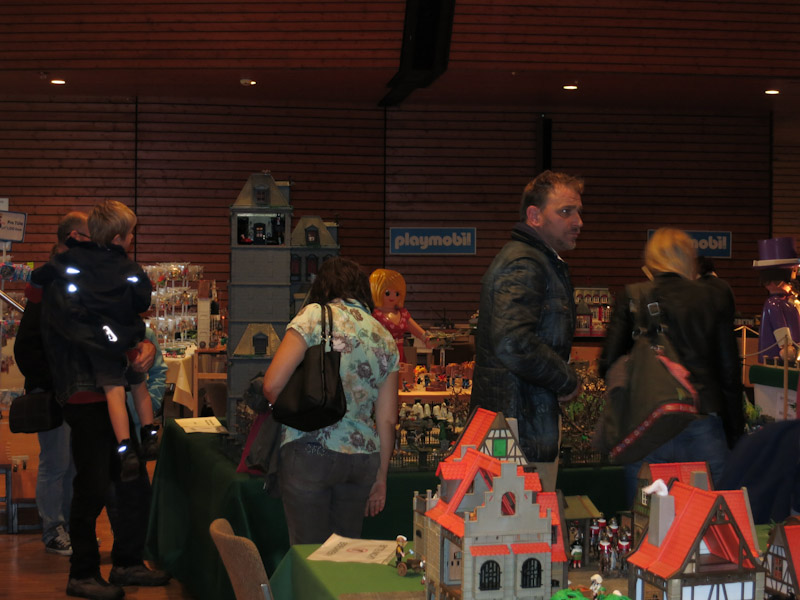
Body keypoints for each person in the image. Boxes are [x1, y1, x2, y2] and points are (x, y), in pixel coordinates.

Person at [31, 204, 168, 599]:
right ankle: (83, 572)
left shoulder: (94, 271)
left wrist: (142, 346)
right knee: (92, 484)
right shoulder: (64, 278)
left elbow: (123, 319)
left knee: (131, 481)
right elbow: (81, 331)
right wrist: (127, 350)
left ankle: (127, 562)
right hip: (83, 391)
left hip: (108, 384)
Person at [599, 228, 744, 503]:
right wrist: (734, 433)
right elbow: (729, 371)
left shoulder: (633, 296)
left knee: (647, 518)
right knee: (712, 517)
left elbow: (607, 362)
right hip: (703, 422)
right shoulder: (715, 296)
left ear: (652, 258)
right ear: (689, 258)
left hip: (649, 423)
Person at [262, 257, 399, 545]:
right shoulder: (384, 336)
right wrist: (381, 477)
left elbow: (272, 385)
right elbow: (387, 419)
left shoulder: (313, 316)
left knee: (308, 555)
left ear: (322, 286)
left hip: (310, 450)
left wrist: (294, 414)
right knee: (344, 554)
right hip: (362, 459)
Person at [471, 170, 584, 490]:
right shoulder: (525, 262)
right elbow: (513, 341)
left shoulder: (534, 260)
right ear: (534, 216)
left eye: (578, 212)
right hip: (519, 432)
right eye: (565, 211)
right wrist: (566, 379)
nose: (578, 222)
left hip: (520, 423)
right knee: (524, 517)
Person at [34, 200, 159, 483]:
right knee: (139, 384)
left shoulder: (76, 264)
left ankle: (125, 448)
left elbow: (47, 274)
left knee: (115, 393)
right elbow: (142, 300)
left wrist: (35, 280)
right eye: (131, 234)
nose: (133, 238)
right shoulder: (128, 267)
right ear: (118, 238)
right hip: (125, 339)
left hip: (102, 347)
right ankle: (150, 433)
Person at [14, 212, 89, 556]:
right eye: (88, 234)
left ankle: (69, 527)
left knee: (71, 464)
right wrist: (50, 383)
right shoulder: (48, 283)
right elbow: (26, 346)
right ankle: (53, 529)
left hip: (71, 389)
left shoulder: (66, 281)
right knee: (56, 463)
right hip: (55, 391)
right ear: (72, 236)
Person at [753, 237, 800, 364]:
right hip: (776, 358)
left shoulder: (786, 301)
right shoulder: (774, 303)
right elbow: (780, 327)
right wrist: (786, 346)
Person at [369, 268, 430, 363]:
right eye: (387, 293)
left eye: (397, 293)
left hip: (399, 356)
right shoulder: (373, 314)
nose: (392, 296)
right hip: (380, 356)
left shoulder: (403, 314)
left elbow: (420, 332)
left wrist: (428, 339)